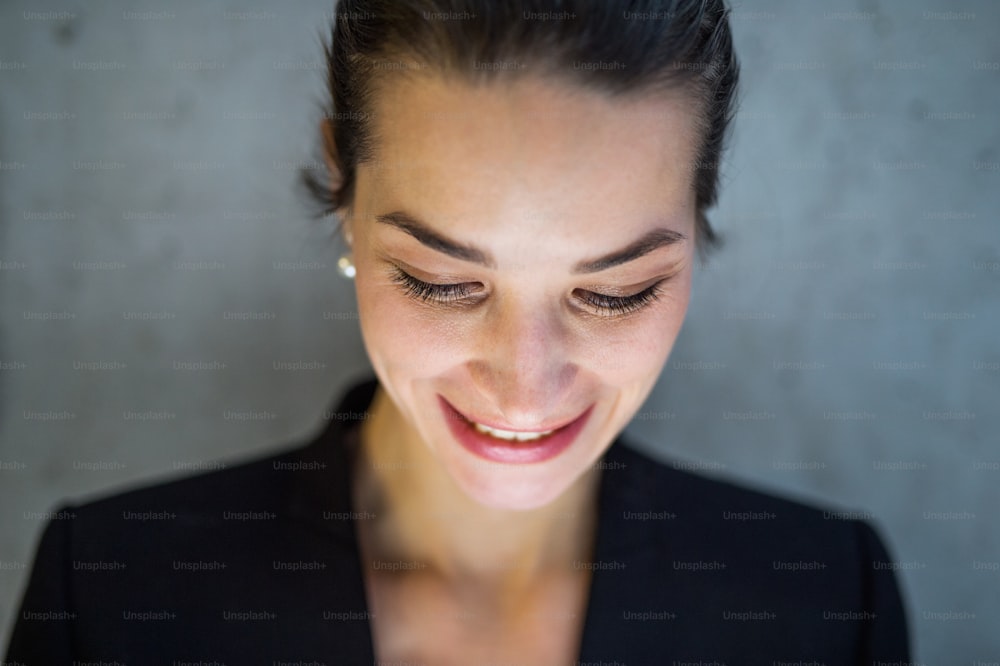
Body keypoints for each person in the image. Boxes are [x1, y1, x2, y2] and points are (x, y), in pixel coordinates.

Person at [6, 1, 910, 663]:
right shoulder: (117, 596)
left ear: (701, 216)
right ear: (345, 197)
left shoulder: (824, 603)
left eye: (617, 292)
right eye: (441, 281)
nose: (525, 386)